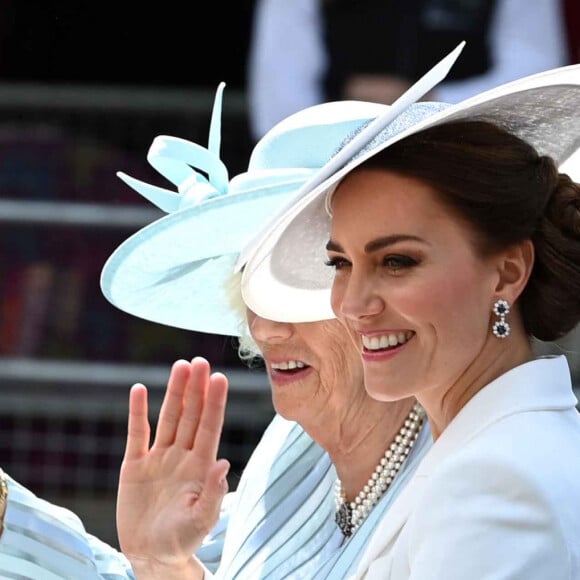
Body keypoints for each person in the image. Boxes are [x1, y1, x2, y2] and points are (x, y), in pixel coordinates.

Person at [0, 84, 432, 577]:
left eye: (297, 285)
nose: (264, 328)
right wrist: (160, 562)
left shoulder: (466, 476)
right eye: (251, 280)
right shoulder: (291, 447)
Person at [239, 47, 580, 577]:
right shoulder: (492, 450)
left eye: (397, 261)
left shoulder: (497, 482)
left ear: (508, 272)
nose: (354, 304)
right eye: (340, 263)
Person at [247, 0, 569, 141]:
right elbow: (278, 104)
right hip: (335, 165)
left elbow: (537, 77)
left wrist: (426, 101)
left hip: (467, 157)